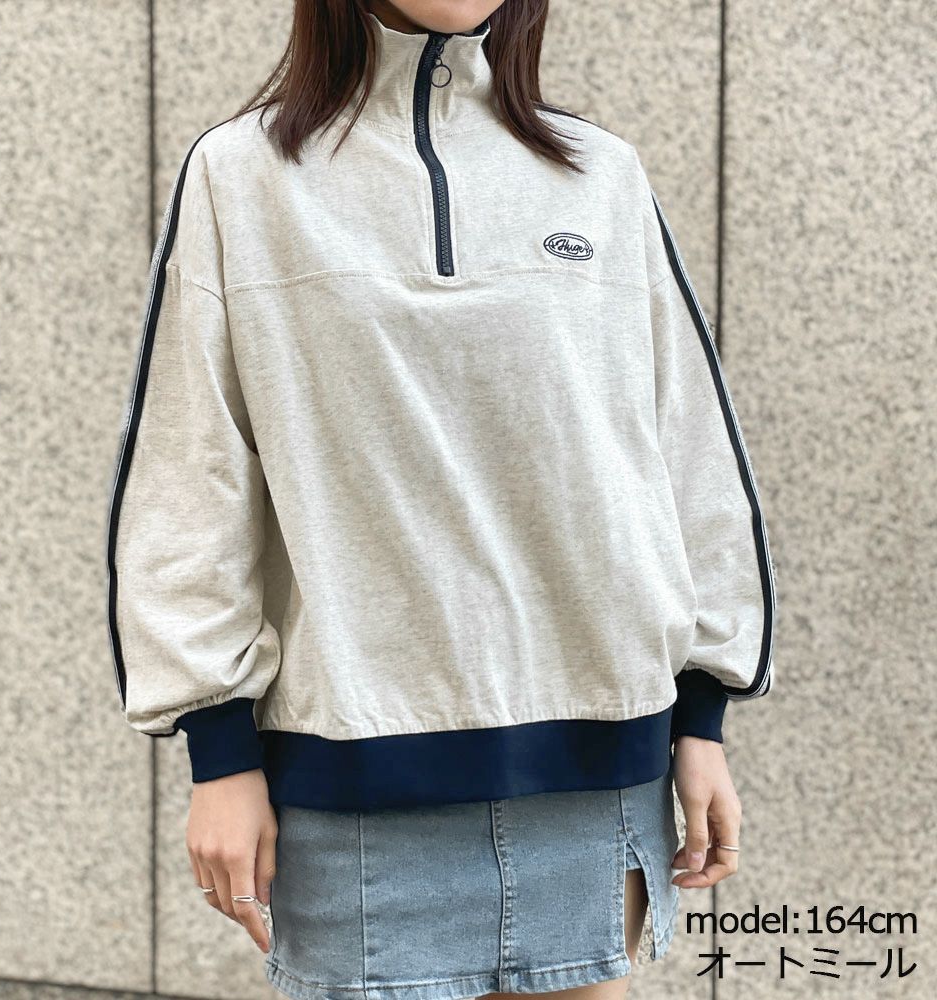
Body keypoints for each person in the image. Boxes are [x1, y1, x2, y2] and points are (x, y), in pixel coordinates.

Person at [105, 1, 777, 997]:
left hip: (597, 772)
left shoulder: (602, 176)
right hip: (353, 780)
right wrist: (218, 748)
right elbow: (188, 474)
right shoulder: (240, 177)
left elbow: (688, 457)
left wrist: (702, 716)